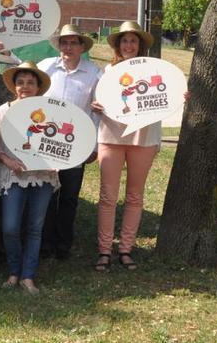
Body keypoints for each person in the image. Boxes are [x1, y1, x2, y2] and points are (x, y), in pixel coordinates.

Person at [90, 21, 187, 271]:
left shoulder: (154, 69)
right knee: (107, 196)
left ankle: (125, 249)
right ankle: (104, 250)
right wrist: (96, 105)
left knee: (135, 196)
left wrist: (180, 96)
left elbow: (166, 95)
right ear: (118, 45)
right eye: (125, 41)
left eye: (133, 41)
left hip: (143, 139)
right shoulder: (107, 72)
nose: (129, 45)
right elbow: (96, 99)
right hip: (111, 137)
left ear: (140, 45)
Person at [36, 24, 101, 260]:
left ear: (82, 47)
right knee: (45, 195)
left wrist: (93, 146)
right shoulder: (45, 68)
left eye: (74, 43)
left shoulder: (94, 73)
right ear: (59, 45)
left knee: (69, 197)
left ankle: (63, 245)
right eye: (64, 42)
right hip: (45, 143)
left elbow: (96, 113)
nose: (69, 47)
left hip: (75, 145)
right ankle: (44, 245)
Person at [0, 61, 58, 295]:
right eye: (20, 82)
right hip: (14, 176)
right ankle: (13, 271)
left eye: (30, 82)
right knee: (10, 227)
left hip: (43, 176)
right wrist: (8, 161)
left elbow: (61, 142)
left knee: (34, 228)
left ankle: (27, 276)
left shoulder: (51, 110)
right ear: (14, 86)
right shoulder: (3, 111)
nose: (25, 86)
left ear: (38, 87)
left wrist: (59, 162)